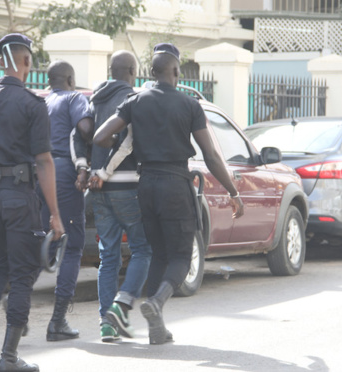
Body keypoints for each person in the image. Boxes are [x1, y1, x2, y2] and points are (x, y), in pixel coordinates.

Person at [94, 43, 245, 345]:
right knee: (180, 256)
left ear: (151, 72)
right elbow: (212, 155)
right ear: (176, 71)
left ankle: (149, 323)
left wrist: (122, 148)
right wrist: (233, 192)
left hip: (146, 185)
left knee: (158, 255)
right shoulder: (189, 105)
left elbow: (100, 136)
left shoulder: (135, 101)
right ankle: (157, 303)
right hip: (176, 183)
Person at [0, 33, 64, 372]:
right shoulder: (33, 105)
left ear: (0, 62)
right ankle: (8, 358)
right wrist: (55, 215)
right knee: (22, 276)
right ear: (26, 62)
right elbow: (44, 163)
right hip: (20, 198)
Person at [88, 50, 152, 342]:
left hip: (98, 190)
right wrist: (105, 171)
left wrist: (87, 169)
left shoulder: (95, 97)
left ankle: (106, 324)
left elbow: (81, 136)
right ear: (131, 71)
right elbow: (127, 143)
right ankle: (119, 307)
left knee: (108, 256)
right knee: (141, 249)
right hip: (125, 186)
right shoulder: (133, 99)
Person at [41, 60, 94, 342]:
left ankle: (18, 314)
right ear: (71, 80)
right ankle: (58, 320)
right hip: (62, 171)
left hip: (38, 173)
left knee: (42, 243)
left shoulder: (42, 101)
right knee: (72, 245)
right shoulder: (75, 98)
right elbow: (85, 129)